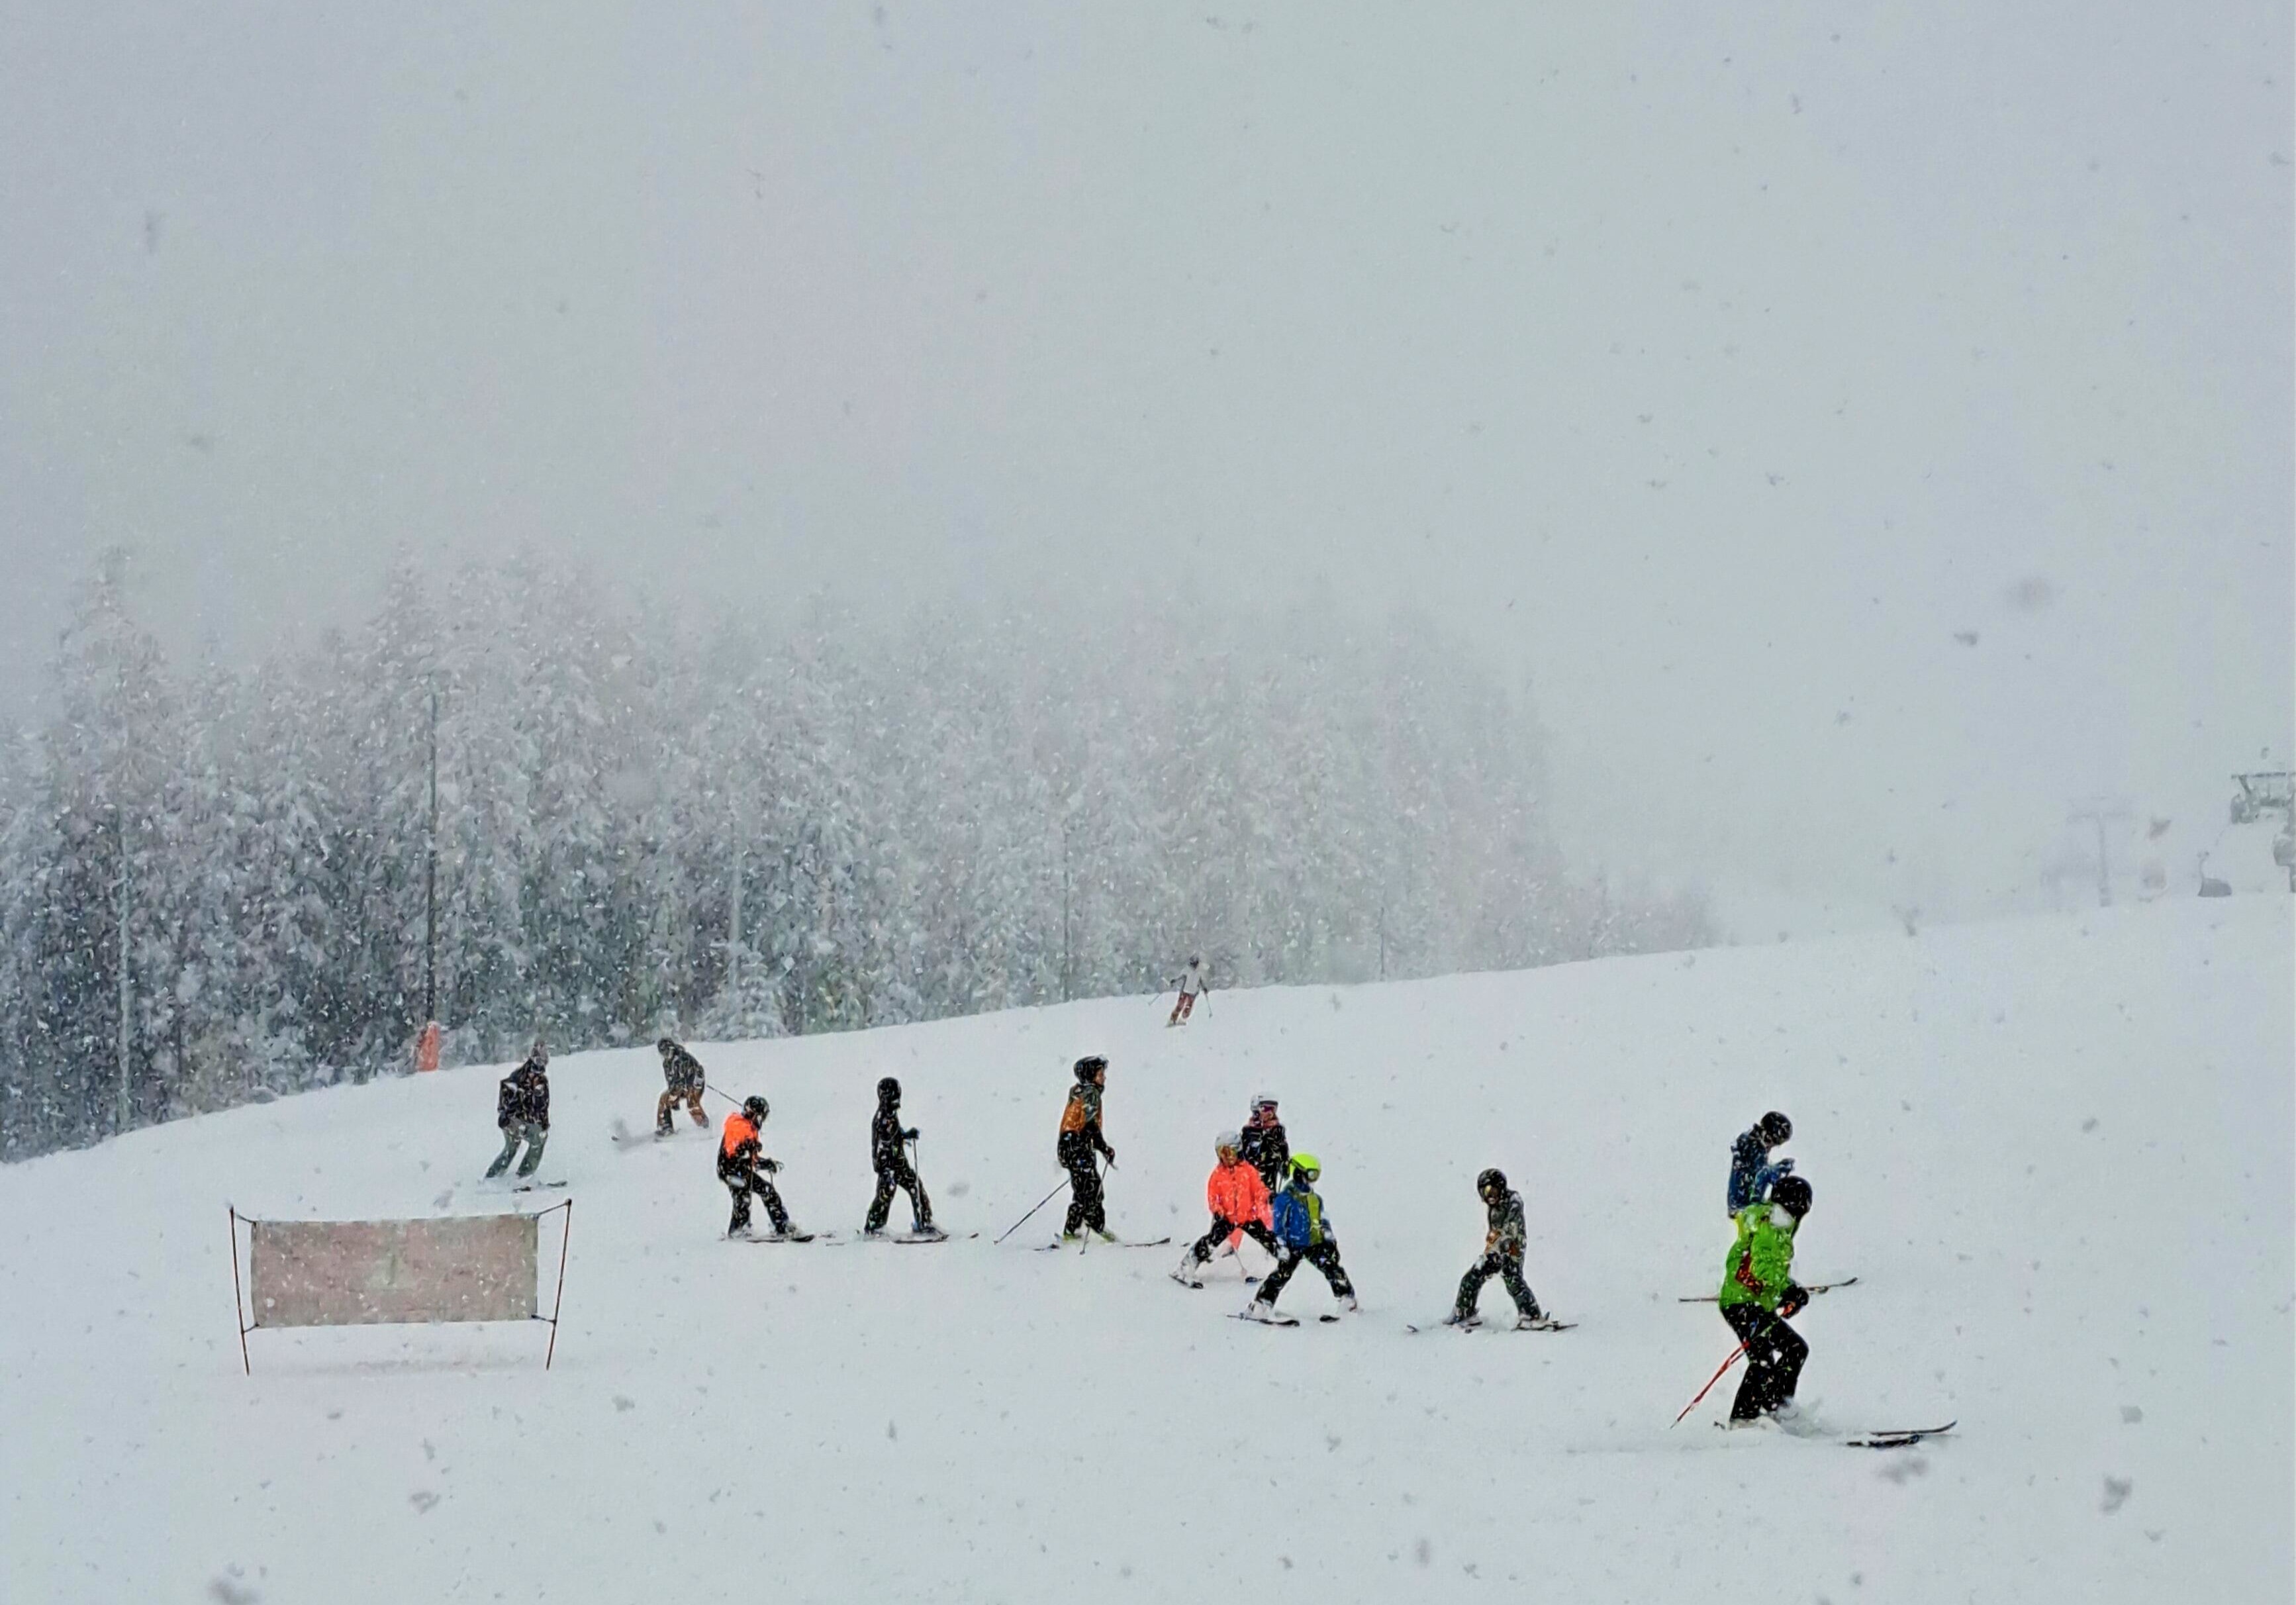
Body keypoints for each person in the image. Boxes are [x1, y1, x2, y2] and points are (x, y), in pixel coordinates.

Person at [1717, 1173, 1815, 1423]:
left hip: (1753, 1304)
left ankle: (1777, 1410)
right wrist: (1788, 1289)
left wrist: (1783, 1296)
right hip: (1742, 1305)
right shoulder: (1772, 1226)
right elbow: (1763, 1268)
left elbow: (1763, 1272)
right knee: (1762, 1360)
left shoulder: (1773, 1224)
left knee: (1795, 1349)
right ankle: (1744, 1420)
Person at [1243, 1153, 1359, 1320]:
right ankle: (1261, 1304)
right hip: (1293, 1246)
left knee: (1332, 1268)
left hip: (1314, 1244)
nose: (1312, 1180)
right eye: (1310, 1175)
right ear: (1298, 1173)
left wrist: (1329, 1240)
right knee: (1281, 1275)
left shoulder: (1315, 1199)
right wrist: (1281, 1245)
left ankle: (1348, 1300)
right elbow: (1279, 1224)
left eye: (1316, 1176)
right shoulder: (1285, 1199)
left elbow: (1323, 1220)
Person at [1173, 1132, 1279, 1283]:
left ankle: (1286, 1260)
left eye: (1229, 1152)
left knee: (1267, 1239)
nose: (1226, 1157)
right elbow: (1213, 1197)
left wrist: (1269, 1196)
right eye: (1221, 1153)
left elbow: (1258, 1190)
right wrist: (1218, 1213)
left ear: (1239, 1151)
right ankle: (1186, 1267)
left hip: (1248, 1217)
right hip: (1227, 1219)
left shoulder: (1248, 1171)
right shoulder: (1217, 1175)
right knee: (1210, 1242)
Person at [1449, 1168, 1547, 1328]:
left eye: (1492, 1190)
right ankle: (1464, 1312)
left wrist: (1504, 1242)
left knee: (1513, 1279)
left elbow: (1512, 1227)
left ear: (1501, 1188)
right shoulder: (1493, 1207)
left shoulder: (1514, 1200)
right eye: (1485, 1192)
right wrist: (1491, 1245)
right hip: (1496, 1248)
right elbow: (1495, 1230)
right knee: (1472, 1277)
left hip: (1513, 1248)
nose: (1490, 1196)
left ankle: (1532, 1316)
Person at [863, 1077, 935, 1237]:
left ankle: (924, 1221)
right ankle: (874, 1226)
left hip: (899, 1164)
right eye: (893, 1099)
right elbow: (885, 1142)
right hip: (888, 1166)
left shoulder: (891, 1115)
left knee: (915, 1185)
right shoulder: (881, 1119)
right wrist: (886, 1164)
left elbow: (896, 1133)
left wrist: (906, 1135)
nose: (897, 1104)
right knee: (885, 1194)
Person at [718, 1095, 797, 1238]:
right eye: (762, 1116)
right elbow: (733, 1149)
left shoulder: (750, 1128)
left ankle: (782, 1225)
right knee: (742, 1195)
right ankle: (738, 1230)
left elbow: (751, 1160)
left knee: (768, 1191)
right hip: (730, 1171)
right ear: (755, 1115)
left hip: (742, 1171)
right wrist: (746, 1147)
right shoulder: (738, 1125)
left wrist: (766, 1163)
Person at [1057, 1056, 1116, 1241]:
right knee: (1090, 1188)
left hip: (1069, 1144)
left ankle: (1081, 1227)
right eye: (1101, 1074)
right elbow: (1090, 1126)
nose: (1104, 1078)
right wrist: (1104, 1148)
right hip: (1077, 1144)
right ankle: (1087, 1227)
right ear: (1092, 1076)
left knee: (1086, 1186)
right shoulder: (1090, 1093)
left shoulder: (1080, 1092)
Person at [484, 1042, 551, 1179]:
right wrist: (506, 1114)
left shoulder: (542, 1082)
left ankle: (520, 1174)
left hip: (524, 1120)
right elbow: (510, 1096)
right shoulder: (520, 1077)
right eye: (538, 1061)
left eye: (544, 1062)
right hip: (511, 1119)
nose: (541, 1066)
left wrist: (544, 1123)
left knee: (536, 1140)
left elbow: (543, 1107)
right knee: (518, 1144)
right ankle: (501, 1175)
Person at [1727, 1111, 1795, 1216]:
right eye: (1768, 1140)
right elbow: (1760, 1175)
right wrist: (1778, 1170)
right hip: (1745, 1206)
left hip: (1742, 1204)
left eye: (1774, 1145)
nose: (1769, 1147)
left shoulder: (1749, 1143)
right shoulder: (1753, 1147)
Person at [655, 1038, 709, 1137]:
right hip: (679, 1087)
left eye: (667, 1051)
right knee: (664, 1099)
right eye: (663, 1053)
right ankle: (665, 1126)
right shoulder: (667, 1064)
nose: (665, 1055)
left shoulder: (683, 1058)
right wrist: (673, 1095)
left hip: (693, 1085)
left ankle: (704, 1125)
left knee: (692, 1104)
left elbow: (694, 1073)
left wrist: (694, 1081)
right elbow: (670, 1080)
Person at [1237, 1095, 1289, 1194]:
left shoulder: (1277, 1130)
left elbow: (1283, 1160)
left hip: (1270, 1179)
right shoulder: (1249, 1131)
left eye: (1273, 1109)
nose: (1270, 1113)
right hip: (1251, 1181)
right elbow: (1245, 1156)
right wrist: (1262, 1147)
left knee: (1269, 1199)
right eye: (1265, 1109)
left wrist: (1283, 1156)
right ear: (1256, 1110)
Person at [1166, 956, 1210, 1026]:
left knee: (1188, 1007)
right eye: (1192, 964)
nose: (1194, 966)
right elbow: (1180, 976)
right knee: (1180, 1006)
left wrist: (1204, 988)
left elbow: (1201, 981)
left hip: (1193, 992)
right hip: (1185, 991)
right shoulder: (1187, 970)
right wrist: (1174, 980)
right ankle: (1173, 1019)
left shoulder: (1199, 972)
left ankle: (1183, 1019)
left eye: (1195, 964)